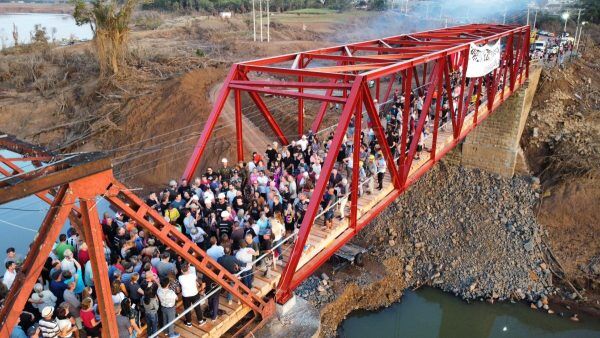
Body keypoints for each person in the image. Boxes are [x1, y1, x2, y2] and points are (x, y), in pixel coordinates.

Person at [177, 262, 206, 327]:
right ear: (188, 269)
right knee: (197, 307)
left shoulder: (180, 278)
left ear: (181, 270)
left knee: (187, 309)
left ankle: (189, 322)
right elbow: (194, 279)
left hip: (186, 295)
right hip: (194, 294)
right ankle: (200, 321)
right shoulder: (193, 276)